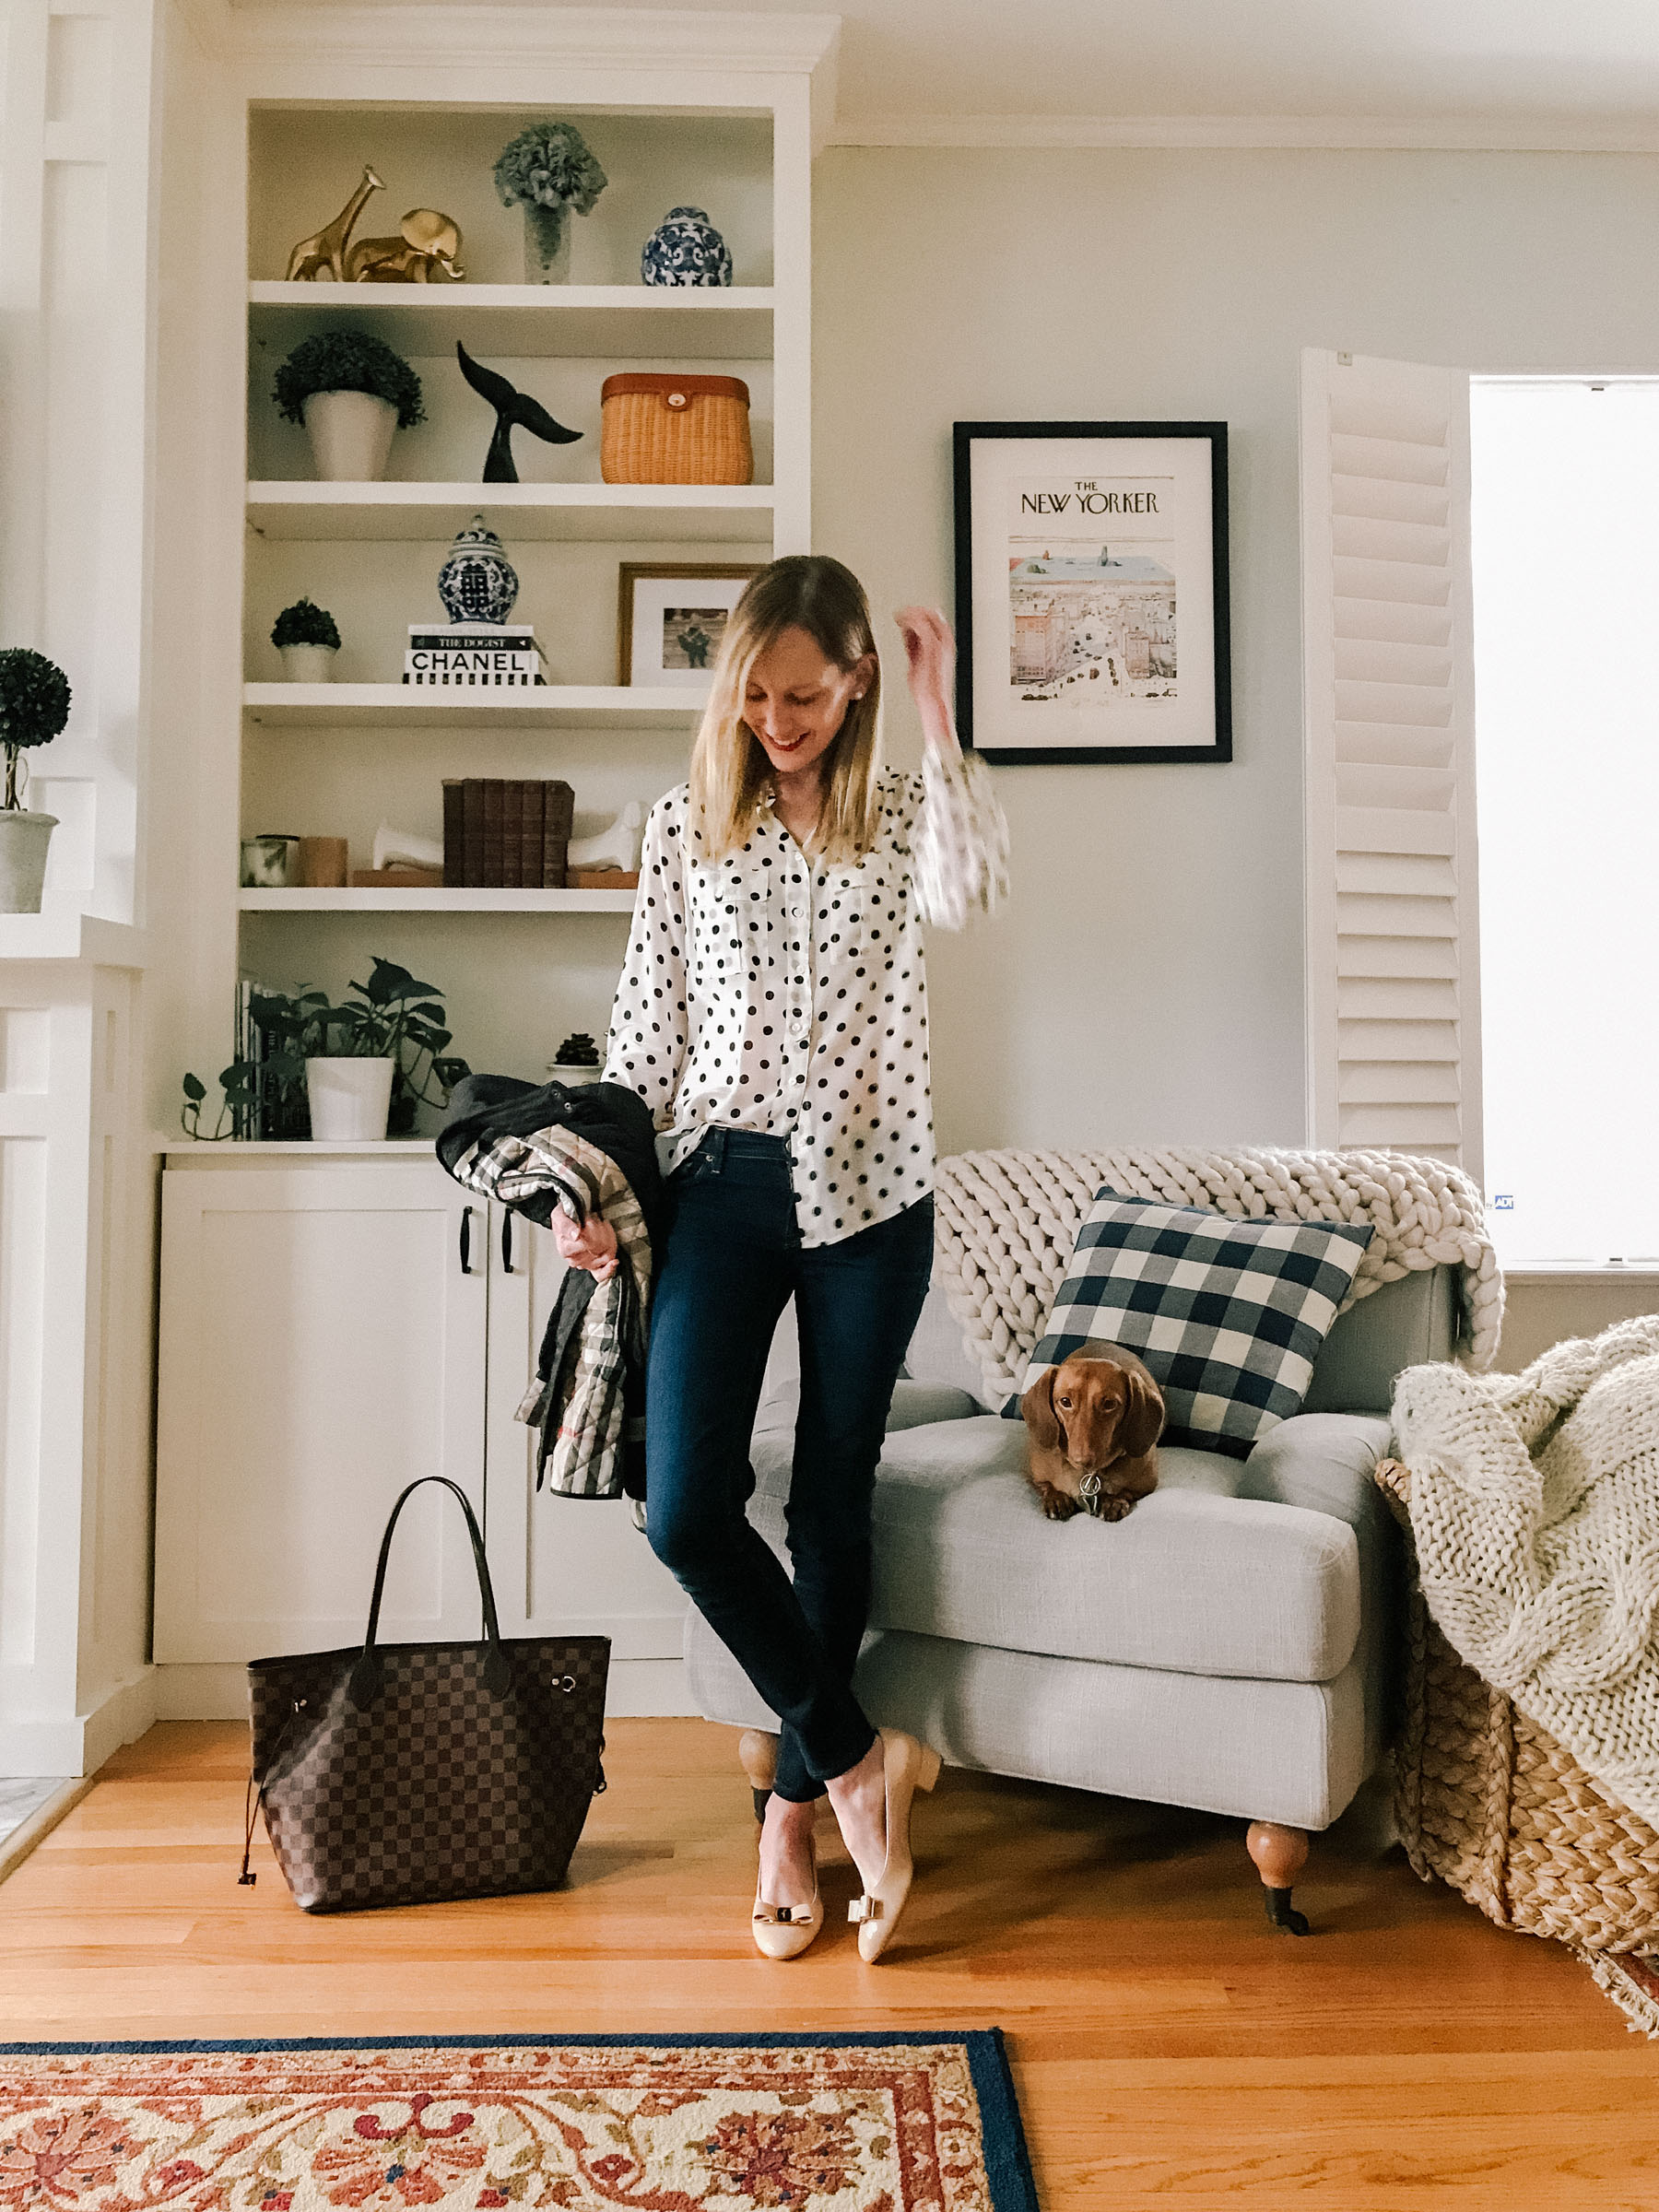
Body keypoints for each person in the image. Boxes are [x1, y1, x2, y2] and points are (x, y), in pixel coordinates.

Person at [555, 553, 1007, 1960]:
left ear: (854, 678)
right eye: (755, 692)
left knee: (830, 1506)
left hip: (874, 1200)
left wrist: (940, 713)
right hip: (726, 1188)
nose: (778, 718)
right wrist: (602, 1197)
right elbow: (643, 1029)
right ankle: (857, 1755)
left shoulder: (894, 807)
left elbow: (972, 891)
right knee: (685, 1505)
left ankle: (790, 1821)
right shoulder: (689, 822)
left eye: (805, 692)